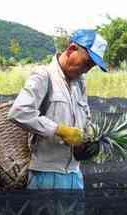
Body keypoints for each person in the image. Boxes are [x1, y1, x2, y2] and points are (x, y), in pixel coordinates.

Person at [7, 29, 108, 190]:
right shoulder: (43, 76)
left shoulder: (79, 83)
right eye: (87, 63)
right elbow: (19, 112)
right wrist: (59, 130)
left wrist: (90, 137)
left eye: (92, 67)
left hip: (74, 174)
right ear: (71, 49)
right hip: (46, 175)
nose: (87, 70)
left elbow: (86, 118)